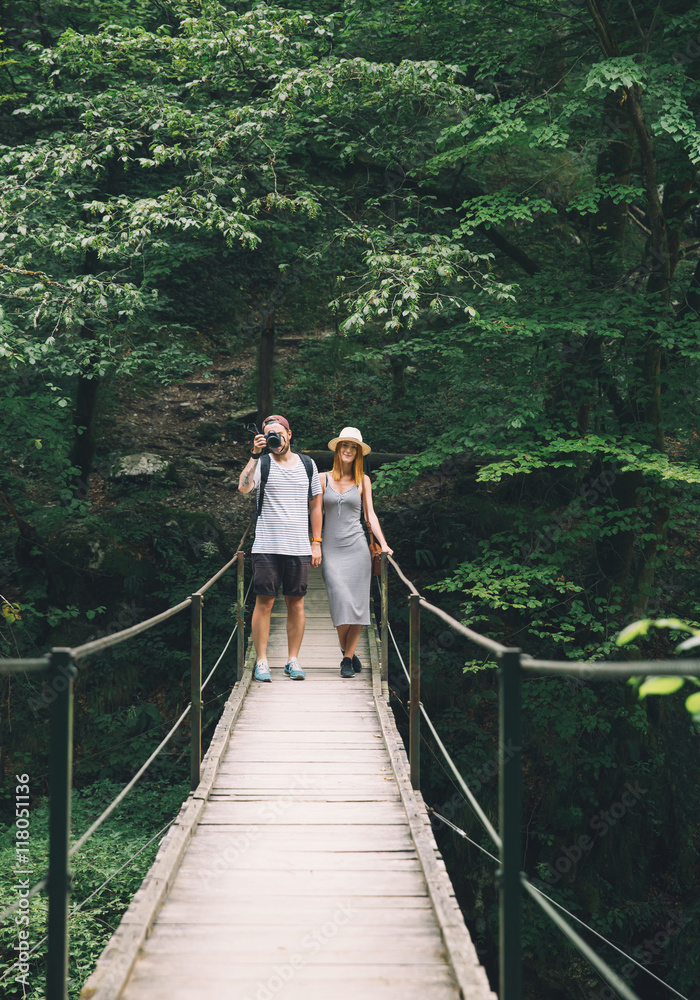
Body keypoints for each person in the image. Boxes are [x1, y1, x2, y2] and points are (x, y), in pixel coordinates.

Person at [238, 415, 323, 682]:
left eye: (278, 432)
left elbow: (316, 505)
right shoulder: (262, 463)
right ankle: (262, 661)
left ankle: (292, 659)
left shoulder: (308, 464)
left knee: (296, 604)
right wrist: (254, 454)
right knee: (264, 603)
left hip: (298, 546)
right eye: (268, 433)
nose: (274, 437)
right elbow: (243, 489)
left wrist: (316, 541)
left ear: (289, 434)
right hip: (266, 544)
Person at [320, 427, 392, 678]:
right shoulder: (322, 479)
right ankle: (345, 648)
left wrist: (383, 544)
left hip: (358, 548)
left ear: (358, 452)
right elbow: (314, 514)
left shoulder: (364, 481)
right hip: (330, 548)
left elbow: (369, 515)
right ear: (338, 450)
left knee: (359, 605)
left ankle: (347, 659)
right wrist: (314, 542)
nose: (348, 450)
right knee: (340, 599)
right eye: (344, 446)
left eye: (353, 447)